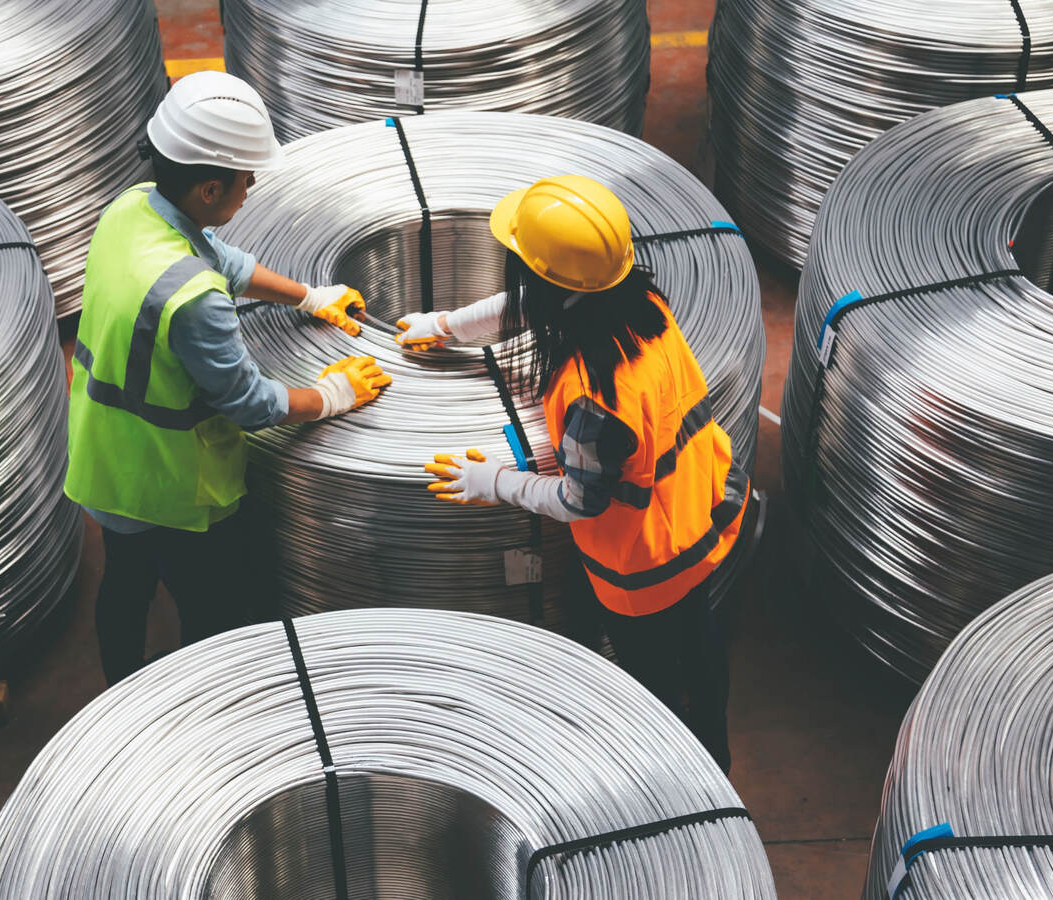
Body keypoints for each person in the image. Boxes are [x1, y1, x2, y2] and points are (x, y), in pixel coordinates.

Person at [401, 175, 747, 772]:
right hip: (702, 511)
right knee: (700, 643)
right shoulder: (643, 309)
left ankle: (685, 773)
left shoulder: (595, 395)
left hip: (645, 565)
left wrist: (496, 483)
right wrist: (446, 326)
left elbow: (581, 499)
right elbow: (533, 304)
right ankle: (713, 746)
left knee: (659, 681)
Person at [65, 71, 390, 686]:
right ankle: (205, 703)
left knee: (126, 583)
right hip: (170, 484)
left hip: (104, 457)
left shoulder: (131, 208)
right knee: (211, 604)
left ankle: (120, 687)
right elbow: (249, 403)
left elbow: (219, 256)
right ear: (210, 187)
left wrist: (308, 297)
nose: (251, 187)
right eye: (245, 179)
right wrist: (334, 393)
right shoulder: (193, 300)